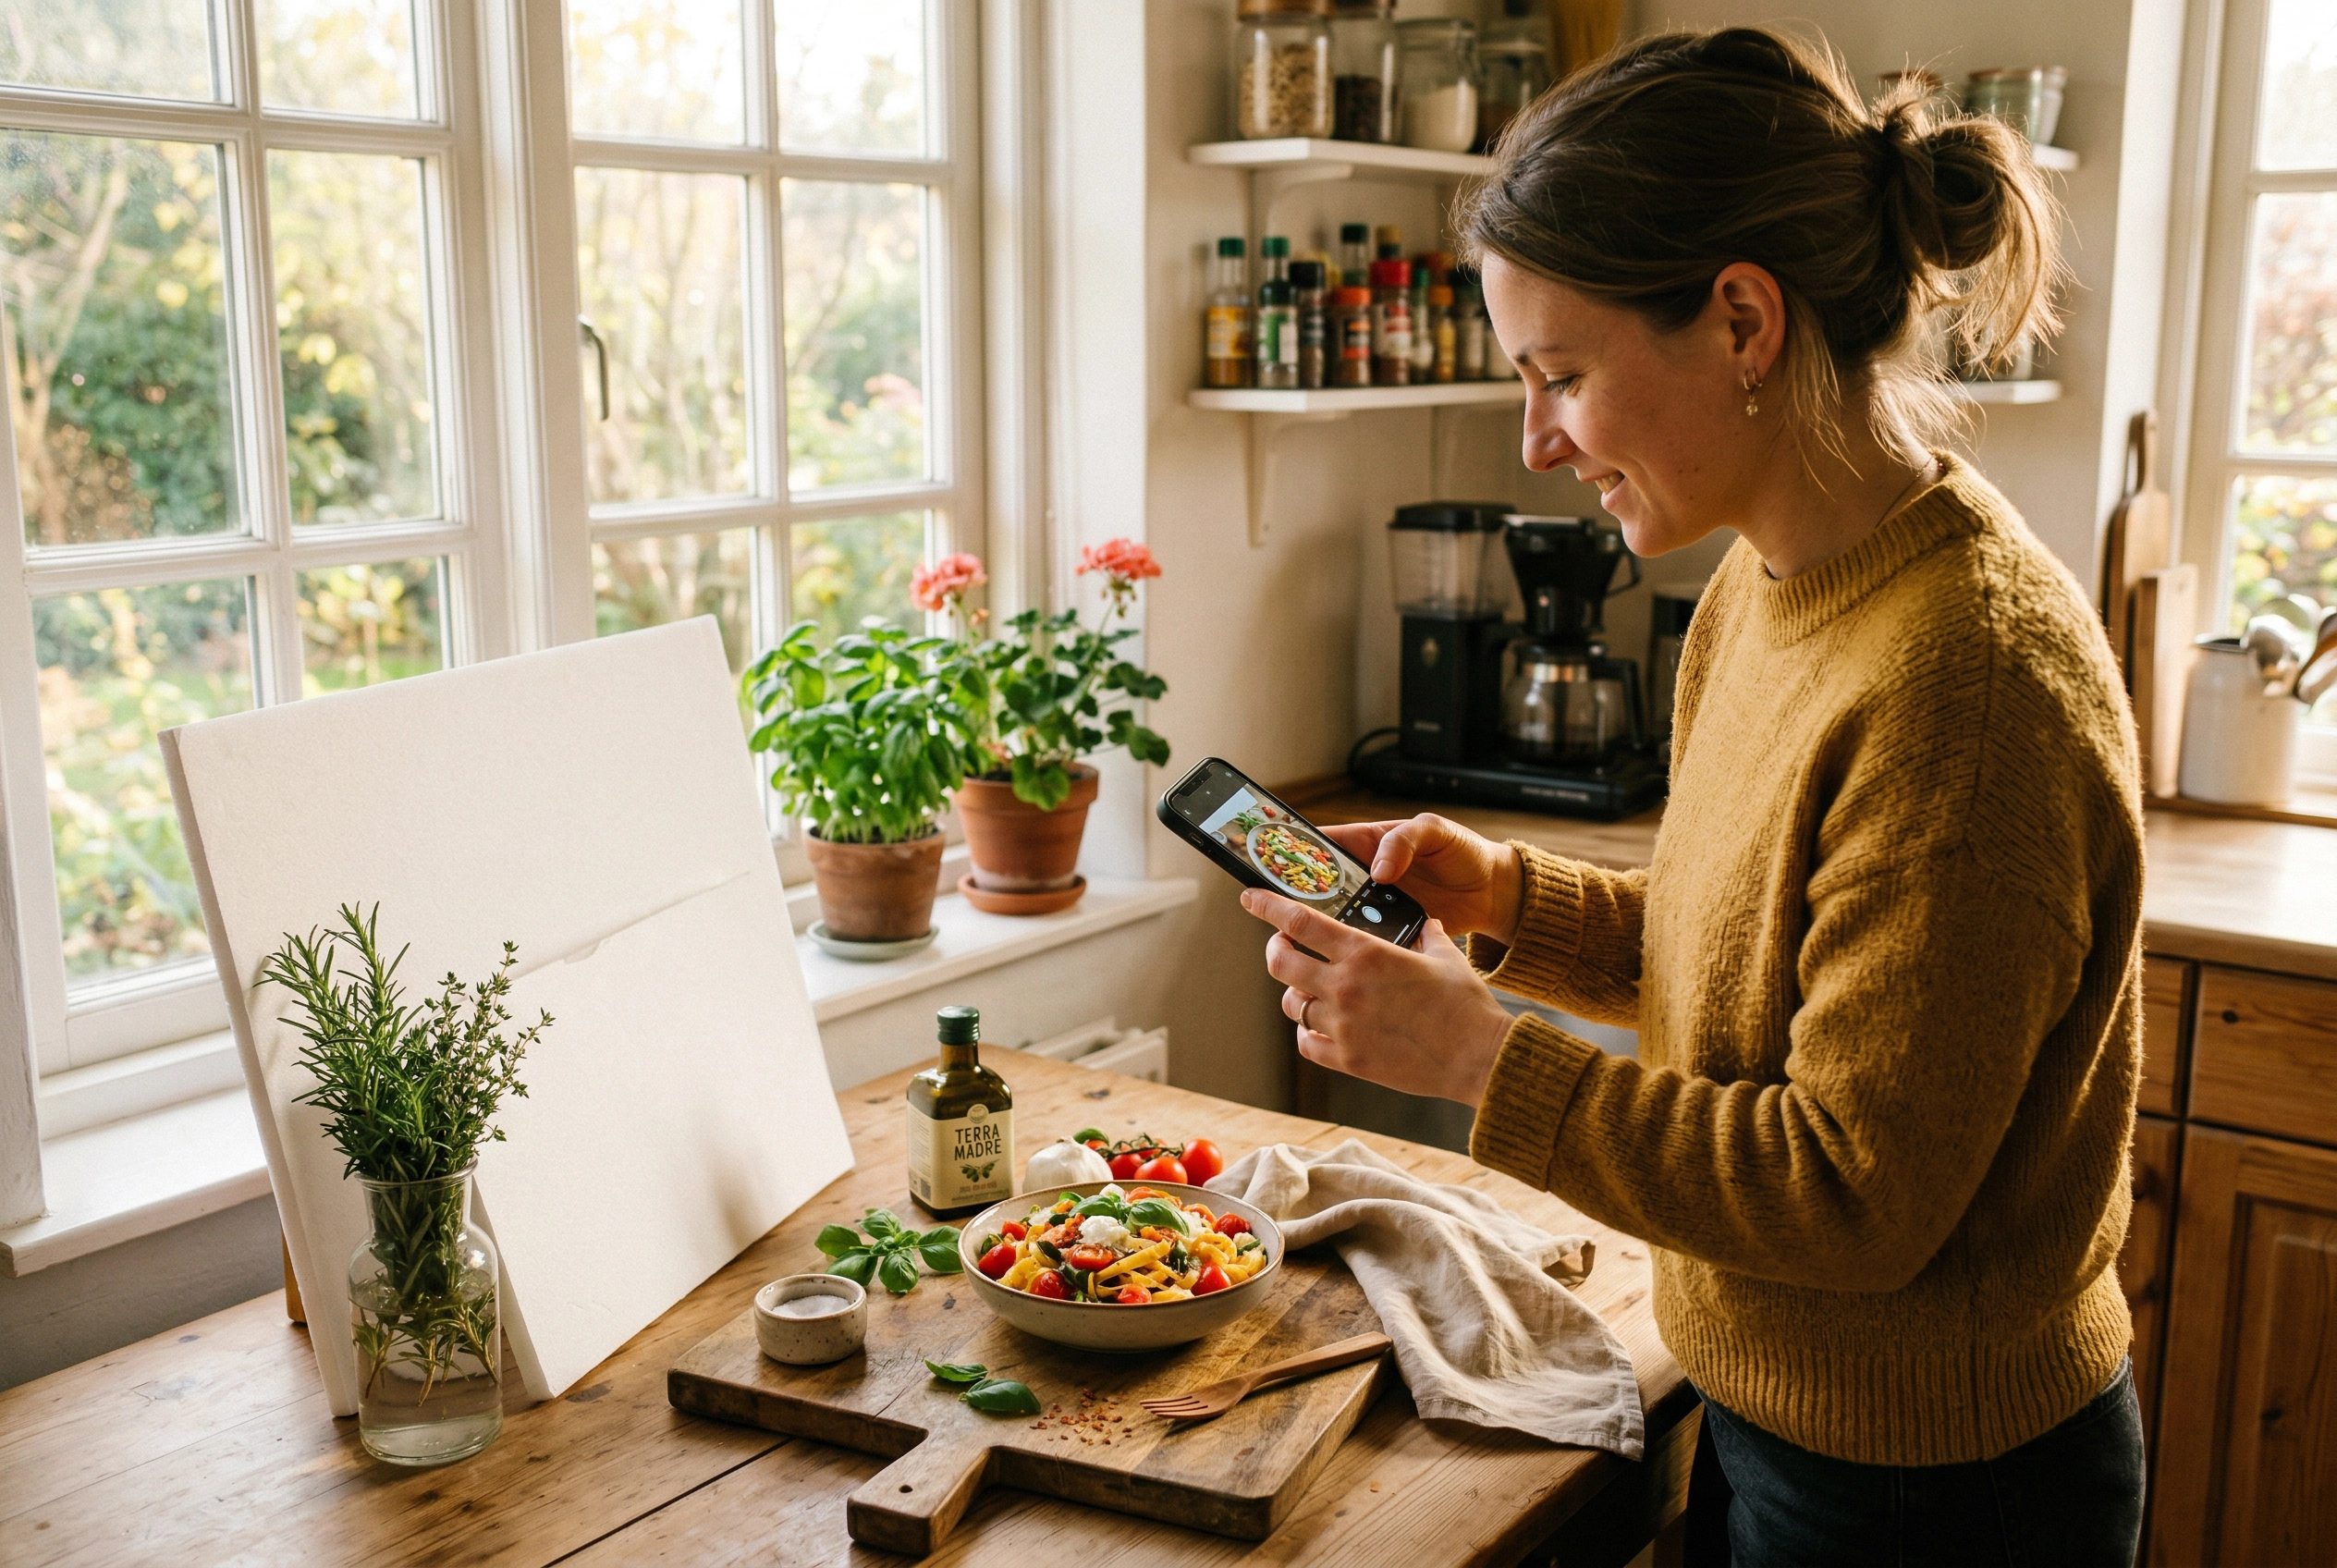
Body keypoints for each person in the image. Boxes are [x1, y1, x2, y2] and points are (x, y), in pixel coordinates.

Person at [1240, 27, 2147, 1567]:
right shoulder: (1769, 582)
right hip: (1761, 1412)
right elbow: (1771, 956)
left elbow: (1854, 1193)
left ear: (1740, 319)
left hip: (1938, 1496)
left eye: (1565, 376)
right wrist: (1514, 900)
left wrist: (1483, 1062)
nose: (1539, 441)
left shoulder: (1970, 687)